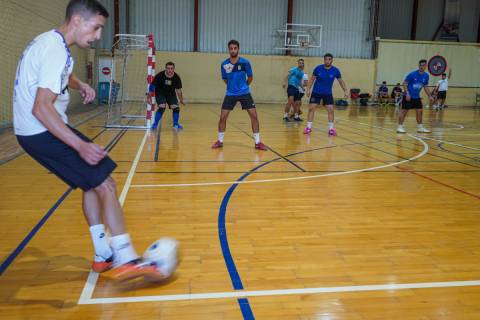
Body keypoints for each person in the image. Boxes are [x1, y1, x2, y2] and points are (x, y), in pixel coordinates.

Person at [13, 0, 165, 282]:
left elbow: (60, 73)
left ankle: (102, 255)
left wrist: (79, 84)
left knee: (91, 184)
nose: (97, 36)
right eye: (96, 28)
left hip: (35, 131)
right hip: (42, 130)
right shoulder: (55, 49)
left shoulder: (52, 43)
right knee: (105, 182)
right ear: (76, 21)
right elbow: (41, 107)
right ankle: (126, 257)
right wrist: (80, 145)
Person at [212, 40, 267, 150]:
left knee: (254, 116)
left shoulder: (245, 62)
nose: (233, 50)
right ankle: (220, 141)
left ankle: (257, 142)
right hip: (230, 93)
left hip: (245, 93)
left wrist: (244, 86)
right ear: (228, 50)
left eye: (235, 48)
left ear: (238, 49)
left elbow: (250, 77)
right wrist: (232, 87)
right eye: (231, 48)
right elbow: (225, 79)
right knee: (223, 117)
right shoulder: (224, 64)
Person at [304, 53, 348, 136]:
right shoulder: (318, 68)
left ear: (332, 60)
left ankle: (331, 129)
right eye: (326, 59)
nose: (327, 61)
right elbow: (312, 79)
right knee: (311, 109)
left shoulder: (335, 70)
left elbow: (341, 81)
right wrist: (308, 89)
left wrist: (345, 91)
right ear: (324, 60)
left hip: (327, 93)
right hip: (316, 92)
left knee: (331, 110)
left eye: (329, 59)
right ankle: (308, 128)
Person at [397, 59, 432, 133]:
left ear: (426, 66)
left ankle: (420, 128)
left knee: (420, 111)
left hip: (416, 97)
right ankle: (399, 127)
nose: (422, 67)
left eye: (423, 65)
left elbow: (425, 86)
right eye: (421, 65)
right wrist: (407, 93)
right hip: (408, 96)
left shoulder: (426, 76)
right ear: (419, 66)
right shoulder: (412, 74)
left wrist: (430, 96)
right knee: (404, 111)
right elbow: (404, 83)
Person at [151, 61, 185, 130]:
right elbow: (152, 85)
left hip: (171, 94)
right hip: (160, 93)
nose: (169, 70)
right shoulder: (159, 75)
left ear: (173, 69)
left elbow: (178, 90)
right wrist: (149, 95)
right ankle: (155, 124)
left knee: (176, 108)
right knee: (162, 107)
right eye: (168, 68)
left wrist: (181, 100)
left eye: (171, 68)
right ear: (165, 68)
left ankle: (175, 124)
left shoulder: (176, 77)